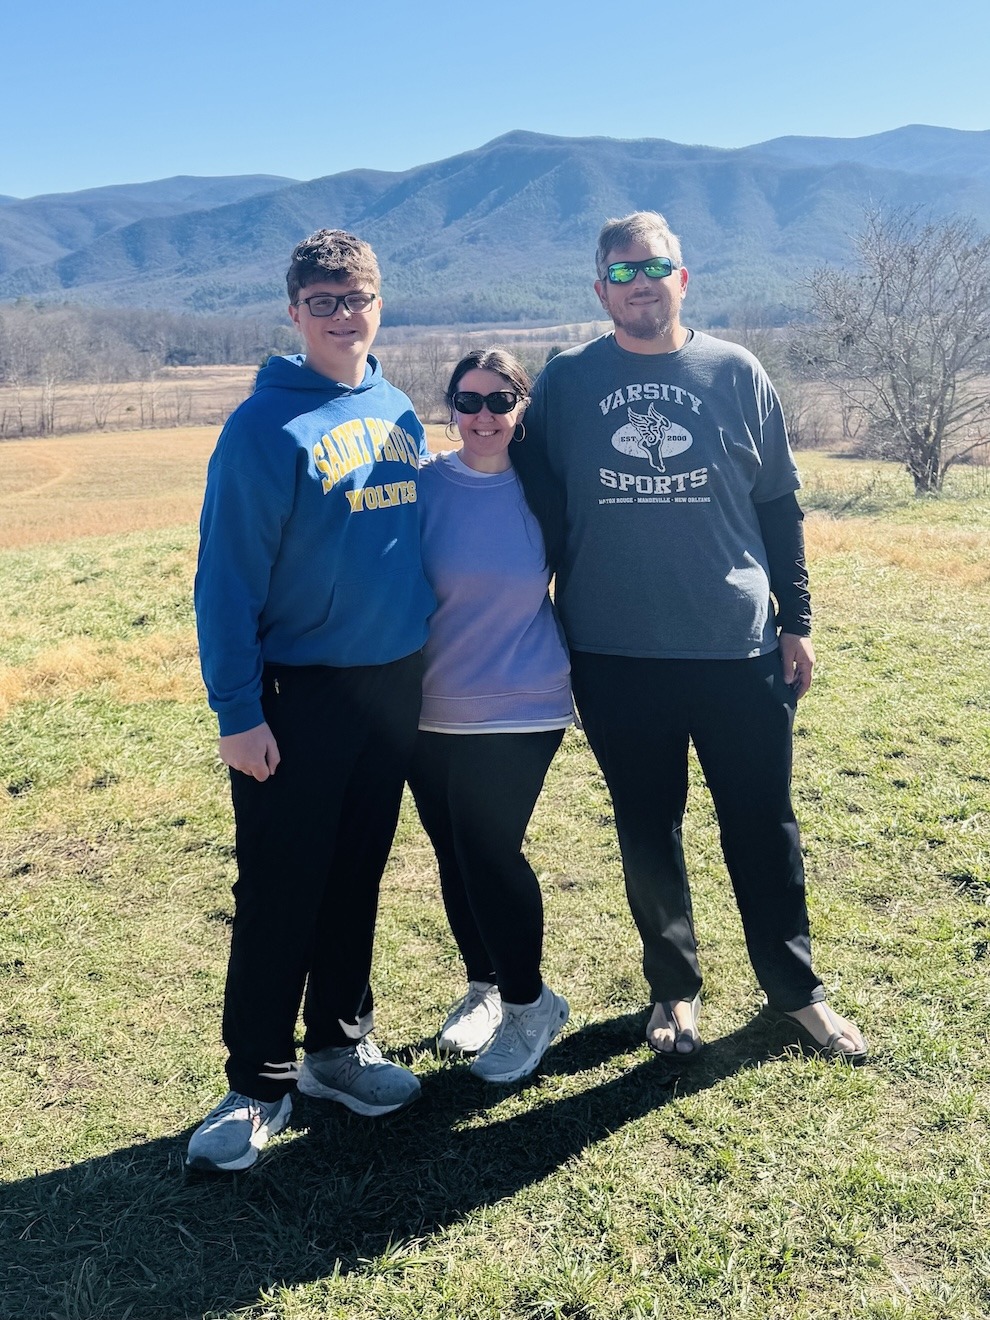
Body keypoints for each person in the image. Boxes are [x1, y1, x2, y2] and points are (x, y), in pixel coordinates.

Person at [513, 211, 868, 1064]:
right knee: (647, 826)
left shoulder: (736, 372)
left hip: (737, 647)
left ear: (684, 277)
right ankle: (673, 988)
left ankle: (796, 993)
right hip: (614, 651)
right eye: (623, 273)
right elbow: (515, 479)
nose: (641, 285)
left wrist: (799, 620)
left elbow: (780, 506)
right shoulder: (566, 383)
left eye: (655, 268)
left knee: (762, 824)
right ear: (600, 289)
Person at [188, 229, 436, 1171]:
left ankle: (336, 1045)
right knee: (281, 888)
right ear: (294, 314)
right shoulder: (263, 426)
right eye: (324, 301)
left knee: (356, 874)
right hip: (297, 696)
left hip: (391, 690)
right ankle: (256, 1082)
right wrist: (237, 710)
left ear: (380, 305)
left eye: (358, 298)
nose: (343, 315)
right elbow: (225, 581)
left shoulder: (401, 408)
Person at [407, 348, 571, 1084]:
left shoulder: (549, 490)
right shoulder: (421, 487)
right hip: (427, 704)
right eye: (467, 402)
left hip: (520, 701)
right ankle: (483, 988)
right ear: (449, 408)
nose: (482, 416)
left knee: (488, 851)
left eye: (499, 401)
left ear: (521, 409)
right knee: (454, 855)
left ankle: (531, 1005)